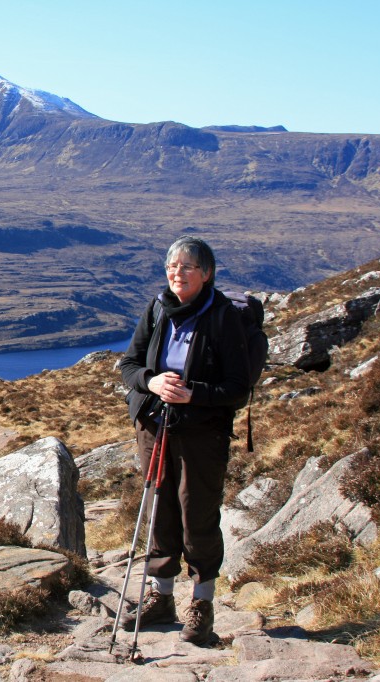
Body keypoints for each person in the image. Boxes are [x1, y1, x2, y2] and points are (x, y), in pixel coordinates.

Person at [118, 235, 251, 645]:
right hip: (156, 426)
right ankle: (162, 598)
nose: (178, 273)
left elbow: (238, 387)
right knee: (160, 509)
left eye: (188, 267)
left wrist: (194, 394)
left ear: (206, 274)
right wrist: (151, 381)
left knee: (198, 512)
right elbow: (129, 364)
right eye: (173, 266)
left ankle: (202, 604)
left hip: (201, 431)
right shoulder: (158, 308)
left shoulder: (223, 316)